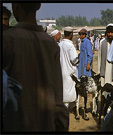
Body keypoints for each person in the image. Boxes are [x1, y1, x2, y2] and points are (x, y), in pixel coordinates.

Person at [3, 3, 69, 131]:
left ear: (16, 6)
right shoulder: (51, 44)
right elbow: (58, 99)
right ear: (38, 6)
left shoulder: (7, 40)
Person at [59, 27, 79, 109]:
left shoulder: (60, 44)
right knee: (67, 94)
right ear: (71, 34)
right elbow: (74, 59)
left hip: (61, 71)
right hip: (69, 73)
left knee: (63, 90)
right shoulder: (70, 45)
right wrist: (78, 60)